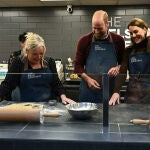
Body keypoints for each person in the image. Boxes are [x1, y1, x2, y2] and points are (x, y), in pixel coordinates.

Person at [0, 32, 75, 104]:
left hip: (48, 107)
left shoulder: (49, 62)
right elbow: (7, 84)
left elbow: (56, 83)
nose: (38, 57)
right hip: (25, 107)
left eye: (41, 53)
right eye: (34, 54)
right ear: (27, 51)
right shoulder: (19, 62)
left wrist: (63, 96)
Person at [74, 10, 125, 103]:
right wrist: (88, 79)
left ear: (107, 24)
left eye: (99, 28)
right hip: (88, 91)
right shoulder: (84, 41)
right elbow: (77, 66)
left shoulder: (118, 40)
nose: (96, 31)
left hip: (110, 91)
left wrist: (118, 67)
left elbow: (123, 64)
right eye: (94, 28)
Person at [109, 18, 150, 105]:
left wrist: (149, 37)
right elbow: (122, 73)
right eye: (131, 33)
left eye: (136, 31)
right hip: (133, 95)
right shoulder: (128, 50)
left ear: (145, 29)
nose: (133, 35)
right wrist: (116, 91)